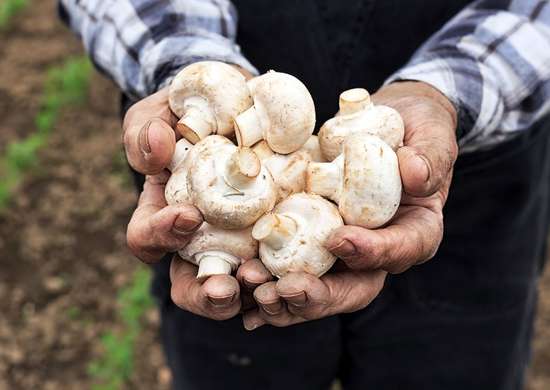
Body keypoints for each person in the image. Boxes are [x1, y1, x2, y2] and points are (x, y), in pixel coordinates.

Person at [59, 1, 550, 389]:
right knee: (233, 351)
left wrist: (440, 92)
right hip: (220, 228)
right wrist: (187, 60)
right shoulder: (221, 166)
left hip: (467, 181)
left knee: (453, 364)